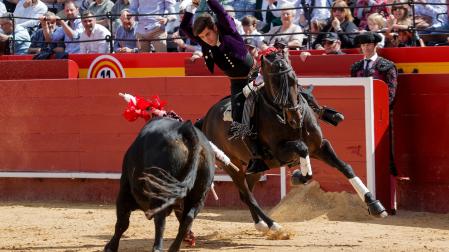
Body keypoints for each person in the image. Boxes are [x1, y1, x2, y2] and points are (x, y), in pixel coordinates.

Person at [180, 0, 269, 174]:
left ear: (215, 28)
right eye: (203, 37)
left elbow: (220, 10)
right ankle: (257, 157)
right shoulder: (205, 42)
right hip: (237, 82)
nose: (207, 39)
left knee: (281, 88)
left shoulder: (228, 30)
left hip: (255, 75)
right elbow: (184, 28)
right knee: (237, 115)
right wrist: (191, 8)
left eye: (208, 34)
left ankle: (316, 109)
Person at [351, 31, 398, 176]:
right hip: (361, 115)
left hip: (380, 115)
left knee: (383, 147)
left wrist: (379, 110)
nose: (366, 48)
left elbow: (391, 92)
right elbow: (353, 92)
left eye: (369, 45)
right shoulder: (356, 67)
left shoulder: (387, 66)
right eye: (363, 45)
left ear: (375, 46)